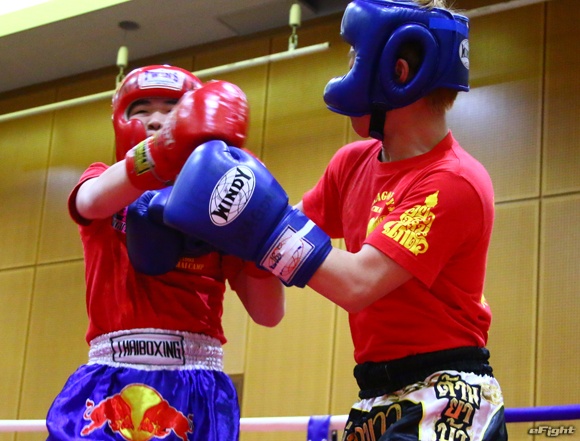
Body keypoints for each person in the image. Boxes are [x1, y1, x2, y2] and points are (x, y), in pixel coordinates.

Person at [161, 0, 509, 440]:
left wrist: (254, 221)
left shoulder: (454, 181)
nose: (346, 74)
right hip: (375, 394)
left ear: (399, 72)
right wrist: (216, 234)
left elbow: (357, 283)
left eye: (354, 59)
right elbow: (279, 243)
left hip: (446, 391)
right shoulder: (352, 163)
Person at [45, 64, 285, 441]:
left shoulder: (219, 205)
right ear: (121, 120)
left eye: (172, 110)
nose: (156, 120)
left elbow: (267, 314)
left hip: (197, 380)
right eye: (142, 110)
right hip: (111, 375)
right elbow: (89, 201)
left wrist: (263, 236)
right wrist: (163, 150)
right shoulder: (101, 179)